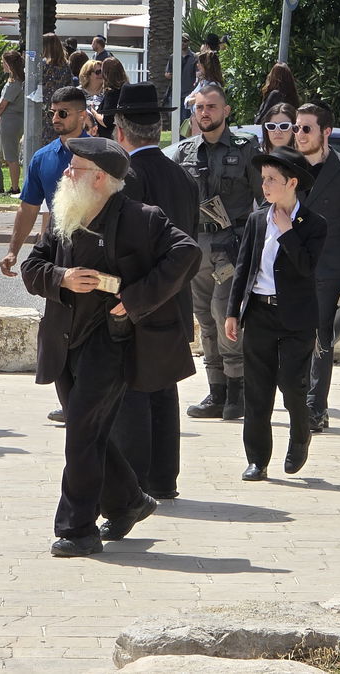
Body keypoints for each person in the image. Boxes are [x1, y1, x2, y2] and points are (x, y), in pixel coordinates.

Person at [19, 137, 200, 557]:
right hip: (65, 340)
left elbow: (186, 252)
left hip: (113, 342)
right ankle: (129, 501)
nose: (65, 173)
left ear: (100, 178)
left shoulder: (143, 218)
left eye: (75, 168)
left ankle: (77, 528)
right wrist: (62, 277)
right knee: (91, 433)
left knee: (81, 430)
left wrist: (135, 300)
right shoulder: (67, 215)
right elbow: (32, 267)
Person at [111, 83, 199, 500]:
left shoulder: (129, 177)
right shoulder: (181, 174)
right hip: (174, 297)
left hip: (139, 300)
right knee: (163, 390)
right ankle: (164, 479)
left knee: (136, 392)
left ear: (120, 131)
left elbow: (127, 246)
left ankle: (141, 482)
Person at [226, 146, 328, 481]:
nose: (265, 185)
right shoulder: (257, 219)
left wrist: (287, 232)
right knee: (257, 389)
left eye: (272, 179)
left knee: (291, 385)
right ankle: (257, 458)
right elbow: (244, 268)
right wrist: (233, 312)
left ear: (292, 182)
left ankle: (301, 437)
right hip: (259, 313)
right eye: (263, 179)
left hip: (296, 317)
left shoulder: (313, 224)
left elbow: (306, 267)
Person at [167, 84, 263, 421]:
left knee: (226, 315)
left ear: (226, 111)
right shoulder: (183, 152)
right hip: (197, 246)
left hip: (231, 246)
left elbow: (263, 199)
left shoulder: (246, 148)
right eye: (199, 107)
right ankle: (216, 390)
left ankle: (238, 391)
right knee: (205, 319)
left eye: (211, 107)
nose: (204, 112)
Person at [293, 103, 340, 432]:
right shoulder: (286, 167)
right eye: (296, 128)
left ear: (326, 132)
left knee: (322, 338)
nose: (299, 135)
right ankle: (299, 401)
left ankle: (315, 406)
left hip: (329, 267)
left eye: (306, 128)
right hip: (290, 265)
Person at [0, 87, 89, 278]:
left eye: (62, 113)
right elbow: (28, 208)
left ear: (82, 115)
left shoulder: (102, 155)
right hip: (58, 250)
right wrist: (13, 251)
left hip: (95, 248)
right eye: (52, 112)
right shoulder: (42, 158)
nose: (55, 118)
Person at [0, 50, 26, 185]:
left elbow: (2, 103)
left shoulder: (14, 82)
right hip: (18, 119)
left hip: (10, 120)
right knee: (12, 155)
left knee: (11, 156)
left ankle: (14, 187)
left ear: (9, 64)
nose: (2, 65)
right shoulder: (22, 81)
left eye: (3, 62)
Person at [39, 33, 76, 148]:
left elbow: (30, 86)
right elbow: (69, 87)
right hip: (60, 110)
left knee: (43, 145)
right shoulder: (65, 66)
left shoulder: (42, 65)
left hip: (43, 110)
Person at [92, 55, 126, 139]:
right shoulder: (126, 88)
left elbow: (106, 122)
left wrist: (94, 112)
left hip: (109, 137)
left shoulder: (111, 93)